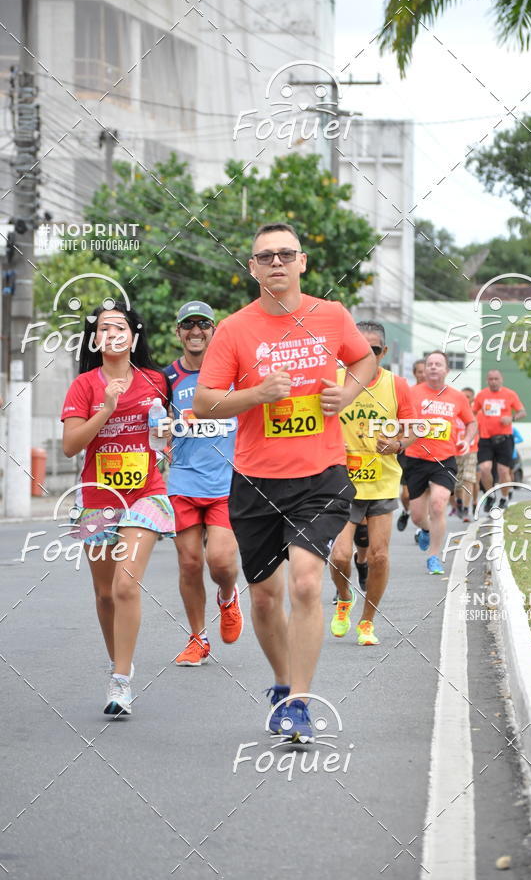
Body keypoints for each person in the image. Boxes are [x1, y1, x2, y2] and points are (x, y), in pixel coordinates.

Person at [193, 222, 375, 743]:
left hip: (320, 474)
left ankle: (299, 700)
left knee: (304, 582)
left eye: (285, 254)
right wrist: (256, 395)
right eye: (265, 256)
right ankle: (280, 681)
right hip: (255, 480)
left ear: (302, 263)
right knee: (267, 598)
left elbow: (363, 358)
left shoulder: (331, 315)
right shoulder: (233, 329)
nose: (276, 262)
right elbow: (205, 401)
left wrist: (348, 393)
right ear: (252, 268)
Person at [61, 302, 176, 717]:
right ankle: (118, 663)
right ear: (95, 340)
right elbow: (71, 445)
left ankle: (121, 681)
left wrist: (165, 439)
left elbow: (165, 437)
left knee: (127, 585)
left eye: (119, 327)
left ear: (134, 336)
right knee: (106, 593)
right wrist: (106, 408)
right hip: (97, 499)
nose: (111, 334)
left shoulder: (155, 381)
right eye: (103, 329)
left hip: (145, 493)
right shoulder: (84, 386)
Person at [164, 301, 243, 667]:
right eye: (188, 325)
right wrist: (160, 436)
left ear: (214, 330)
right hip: (182, 481)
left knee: (222, 562)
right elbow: (154, 424)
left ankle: (227, 598)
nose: (196, 331)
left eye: (203, 325)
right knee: (190, 563)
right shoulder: (166, 379)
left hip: (226, 483)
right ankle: (198, 638)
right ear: (178, 332)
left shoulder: (233, 376)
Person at [329, 322, 416, 645]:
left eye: (374, 350)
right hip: (341, 480)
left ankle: (366, 622)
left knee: (379, 555)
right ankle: (343, 598)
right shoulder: (335, 382)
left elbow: (413, 428)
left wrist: (397, 445)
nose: (368, 356)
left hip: (381, 479)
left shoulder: (397, 385)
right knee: (339, 556)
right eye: (360, 350)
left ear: (384, 352)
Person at [404, 351, 477, 575]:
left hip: (443, 459)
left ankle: (434, 556)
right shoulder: (411, 393)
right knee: (417, 516)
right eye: (430, 364)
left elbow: (471, 421)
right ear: (424, 370)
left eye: (439, 364)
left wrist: (466, 440)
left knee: (438, 504)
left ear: (446, 370)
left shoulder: (457, 397)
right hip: (415, 458)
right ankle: (425, 529)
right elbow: (399, 419)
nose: (434, 367)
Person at [473, 370, 526, 511]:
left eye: (496, 379)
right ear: (487, 380)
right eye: (491, 379)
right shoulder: (481, 395)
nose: (493, 381)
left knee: (503, 471)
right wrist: (473, 427)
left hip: (504, 439)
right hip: (485, 438)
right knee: (484, 469)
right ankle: (490, 495)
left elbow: (522, 412)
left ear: (501, 379)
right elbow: (472, 412)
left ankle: (504, 497)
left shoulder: (509, 394)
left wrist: (512, 418)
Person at [397, 358, 426, 531]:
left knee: (427, 494)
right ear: (414, 373)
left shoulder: (439, 394)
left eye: (425, 371)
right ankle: (406, 511)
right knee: (407, 494)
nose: (423, 374)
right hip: (409, 449)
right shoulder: (407, 392)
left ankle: (422, 527)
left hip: (430, 451)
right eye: (419, 371)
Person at [454, 387, 478, 523]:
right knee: (457, 483)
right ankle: (459, 500)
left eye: (468, 396)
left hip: (471, 451)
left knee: (468, 479)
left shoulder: (476, 414)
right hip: (455, 451)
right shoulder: (454, 412)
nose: (465, 399)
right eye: (463, 396)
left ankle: (466, 508)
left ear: (472, 399)